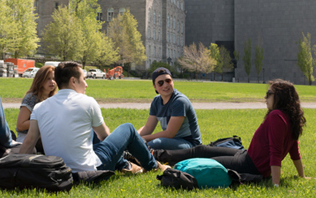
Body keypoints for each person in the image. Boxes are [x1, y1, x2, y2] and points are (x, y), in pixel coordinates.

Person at [152, 79, 310, 187]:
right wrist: (301, 176)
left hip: (250, 165)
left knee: (206, 161)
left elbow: (276, 152)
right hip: (245, 155)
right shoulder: (290, 118)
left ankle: (158, 162)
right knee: (201, 150)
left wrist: (275, 184)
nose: (265, 97)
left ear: (280, 97)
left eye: (269, 94)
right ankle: (155, 154)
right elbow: (294, 151)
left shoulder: (277, 116)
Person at [19, 61, 169, 173]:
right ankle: (154, 166)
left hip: (58, 169)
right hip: (90, 169)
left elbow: (29, 142)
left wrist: (15, 166)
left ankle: (126, 165)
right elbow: (104, 136)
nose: (86, 84)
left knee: (91, 134)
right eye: (84, 79)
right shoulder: (87, 102)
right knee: (128, 129)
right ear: (73, 81)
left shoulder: (39, 107)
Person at [137, 67, 202, 150]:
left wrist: (142, 139)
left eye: (168, 81)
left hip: (190, 144)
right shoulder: (156, 101)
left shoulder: (180, 101)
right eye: (160, 83)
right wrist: (134, 137)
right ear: (155, 87)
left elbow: (169, 133)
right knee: (134, 136)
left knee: (155, 143)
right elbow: (148, 128)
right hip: (171, 141)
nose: (165, 85)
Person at [15, 65, 57, 151]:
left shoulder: (55, 98)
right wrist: (44, 120)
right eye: (48, 79)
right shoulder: (31, 98)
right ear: (40, 80)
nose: (52, 82)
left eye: (54, 79)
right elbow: (20, 125)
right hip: (27, 138)